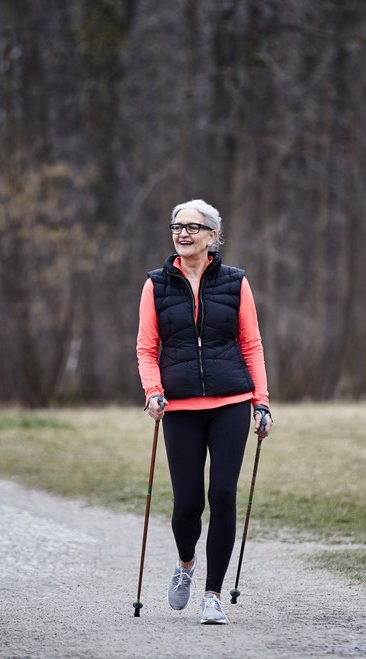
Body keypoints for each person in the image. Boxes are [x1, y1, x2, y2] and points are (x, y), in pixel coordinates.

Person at [136, 199, 273, 625]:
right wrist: (153, 391)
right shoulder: (156, 284)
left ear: (212, 236)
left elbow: (251, 344)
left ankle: (212, 594)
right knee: (188, 503)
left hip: (230, 402)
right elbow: (147, 347)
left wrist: (262, 401)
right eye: (177, 226)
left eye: (193, 227)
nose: (183, 233)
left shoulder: (235, 283)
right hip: (179, 407)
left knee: (223, 496)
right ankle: (185, 564)